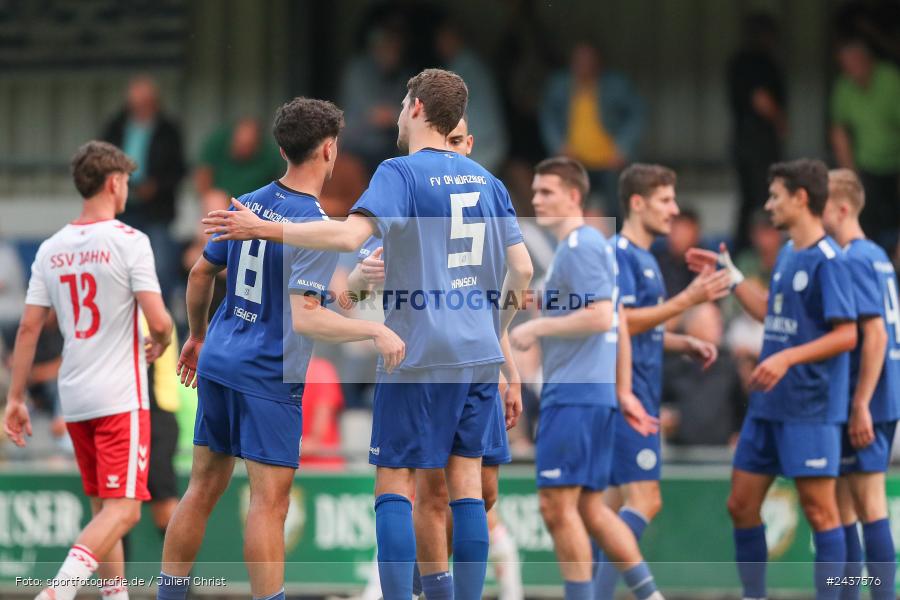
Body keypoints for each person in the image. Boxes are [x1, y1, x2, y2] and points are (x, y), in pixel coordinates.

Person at [202, 69, 534, 600]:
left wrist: (262, 227)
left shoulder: (399, 173)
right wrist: (497, 331)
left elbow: (348, 236)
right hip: (477, 352)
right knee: (467, 489)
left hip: (417, 350)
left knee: (396, 483)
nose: (399, 112)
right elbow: (523, 270)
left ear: (417, 108)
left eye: (402, 103)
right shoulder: (488, 182)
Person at [155, 98, 404, 600]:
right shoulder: (313, 222)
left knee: (201, 490)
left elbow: (201, 273)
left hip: (221, 359)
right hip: (269, 373)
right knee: (269, 505)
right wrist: (374, 332)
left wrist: (197, 336)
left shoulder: (248, 202)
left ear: (282, 148)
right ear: (329, 150)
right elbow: (306, 317)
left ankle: (169, 594)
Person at [347, 115, 525, 600]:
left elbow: (350, 286)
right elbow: (520, 272)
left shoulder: (409, 176)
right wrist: (362, 278)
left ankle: (414, 589)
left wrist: (507, 366)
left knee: (437, 486)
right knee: (450, 489)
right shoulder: (481, 184)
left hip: (440, 353)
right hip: (461, 354)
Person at [4, 140, 174, 600]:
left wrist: (15, 398)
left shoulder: (50, 248)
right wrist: (161, 341)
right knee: (125, 511)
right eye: (127, 182)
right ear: (114, 183)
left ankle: (114, 596)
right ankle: (57, 591)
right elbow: (160, 321)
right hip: (119, 395)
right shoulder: (129, 241)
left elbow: (28, 329)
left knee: (104, 509)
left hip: (75, 396)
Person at [687, 158, 859, 600]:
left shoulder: (830, 261)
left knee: (821, 514)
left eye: (775, 196)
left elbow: (848, 334)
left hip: (810, 407)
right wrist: (732, 277)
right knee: (740, 505)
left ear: (801, 198)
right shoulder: (787, 254)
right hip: (768, 405)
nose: (768, 205)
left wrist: (787, 358)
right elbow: (770, 312)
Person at [509, 157, 663, 600]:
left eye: (547, 192)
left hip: (574, 397)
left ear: (574, 196)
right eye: (535, 192)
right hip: (589, 394)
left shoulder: (582, 245)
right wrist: (622, 390)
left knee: (557, 506)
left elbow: (600, 316)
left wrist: (537, 327)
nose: (537, 199)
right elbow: (617, 320)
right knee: (591, 509)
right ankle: (651, 595)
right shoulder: (578, 248)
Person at [593, 164, 730, 598]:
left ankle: (591, 593)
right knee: (644, 500)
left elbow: (641, 327)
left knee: (610, 509)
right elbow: (618, 323)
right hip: (627, 395)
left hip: (639, 392)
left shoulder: (647, 257)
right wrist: (687, 300)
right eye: (666, 200)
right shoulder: (620, 254)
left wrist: (681, 342)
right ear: (637, 203)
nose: (673, 210)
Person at [822, 169, 898, 600]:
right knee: (846, 507)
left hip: (868, 398)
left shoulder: (853, 258)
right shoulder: (877, 255)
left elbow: (877, 336)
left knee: (868, 505)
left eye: (821, 204)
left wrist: (861, 403)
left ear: (842, 208)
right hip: (879, 395)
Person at [101, 76, 187, 299]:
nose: (141, 108)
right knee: (118, 267)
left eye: (146, 103)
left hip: (157, 211)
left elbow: (178, 169)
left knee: (160, 267)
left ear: (155, 102)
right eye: (136, 103)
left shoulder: (168, 130)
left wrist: (156, 186)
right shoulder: (116, 126)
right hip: (122, 208)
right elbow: (101, 160)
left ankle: (160, 315)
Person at [540, 42, 645, 218]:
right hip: (574, 160)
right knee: (567, 208)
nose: (584, 66)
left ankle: (617, 235)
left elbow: (637, 114)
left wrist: (623, 148)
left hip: (610, 161)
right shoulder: (560, 85)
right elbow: (547, 116)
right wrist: (559, 146)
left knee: (617, 209)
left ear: (598, 63)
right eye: (579, 61)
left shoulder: (615, 84)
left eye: (588, 61)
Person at [830, 38, 900, 253]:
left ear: (868, 60)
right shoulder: (844, 86)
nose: (852, 70)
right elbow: (839, 131)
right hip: (865, 165)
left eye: (855, 63)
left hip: (895, 164)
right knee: (865, 218)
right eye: (846, 66)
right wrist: (850, 175)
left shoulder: (891, 80)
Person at [727, 12, 787, 253]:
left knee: (748, 198)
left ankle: (745, 248)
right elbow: (760, 98)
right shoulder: (759, 62)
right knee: (764, 197)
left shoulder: (736, 62)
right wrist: (780, 120)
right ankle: (759, 249)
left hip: (741, 139)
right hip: (758, 141)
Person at [195, 117, 284, 198]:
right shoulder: (216, 144)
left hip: (254, 203)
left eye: (248, 145)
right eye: (239, 143)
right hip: (222, 200)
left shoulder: (271, 156)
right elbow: (203, 175)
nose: (243, 149)